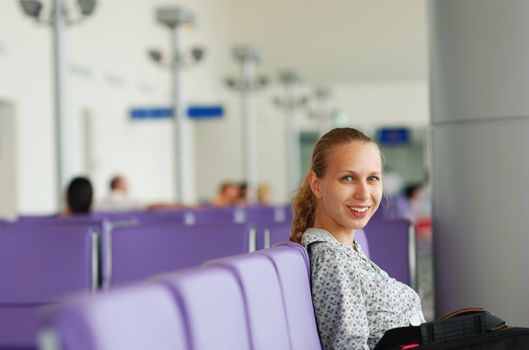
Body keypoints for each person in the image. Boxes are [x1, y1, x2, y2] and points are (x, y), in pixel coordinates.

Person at [290, 128, 425, 350]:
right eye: (348, 178)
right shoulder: (333, 260)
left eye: (372, 178)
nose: (364, 193)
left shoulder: (346, 249)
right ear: (317, 185)